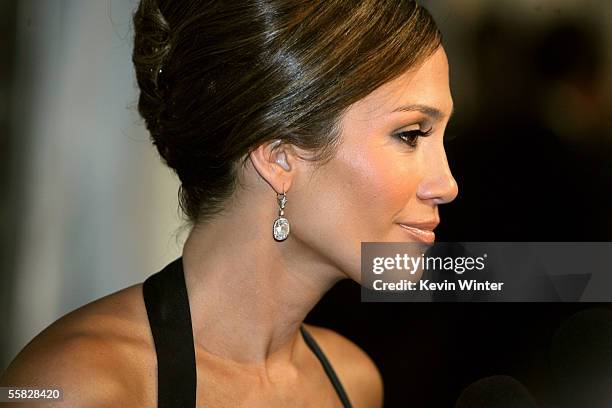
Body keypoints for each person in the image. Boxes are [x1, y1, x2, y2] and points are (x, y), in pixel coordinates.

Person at [0, 0, 457, 406]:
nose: (447, 184)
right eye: (411, 135)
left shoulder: (352, 381)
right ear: (279, 158)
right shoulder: (75, 387)